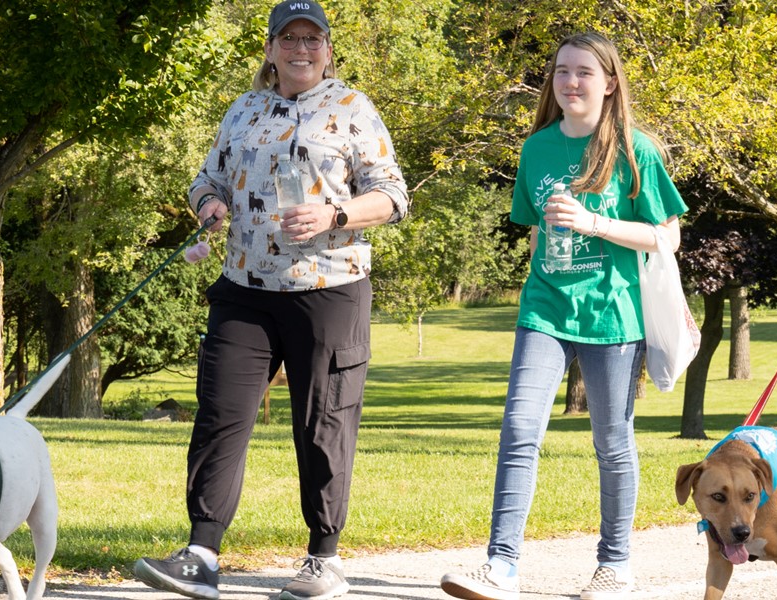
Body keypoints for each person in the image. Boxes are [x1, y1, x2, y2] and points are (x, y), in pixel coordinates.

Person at [131, 2, 409, 599]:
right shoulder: (245, 109)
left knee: (323, 424)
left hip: (328, 288)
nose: (301, 49)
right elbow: (206, 179)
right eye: (290, 39)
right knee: (220, 416)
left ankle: (323, 559)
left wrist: (335, 213)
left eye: (313, 39)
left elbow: (392, 196)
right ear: (270, 49)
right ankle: (202, 553)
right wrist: (209, 207)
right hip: (244, 290)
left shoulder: (352, 109)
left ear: (328, 49)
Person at [438, 32, 686, 600]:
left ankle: (614, 566)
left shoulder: (634, 150)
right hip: (544, 310)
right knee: (520, 430)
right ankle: (501, 565)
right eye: (561, 72)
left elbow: (667, 236)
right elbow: (536, 234)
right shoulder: (537, 149)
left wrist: (594, 223)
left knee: (612, 441)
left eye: (583, 73)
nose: (570, 82)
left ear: (609, 83)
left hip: (613, 317)